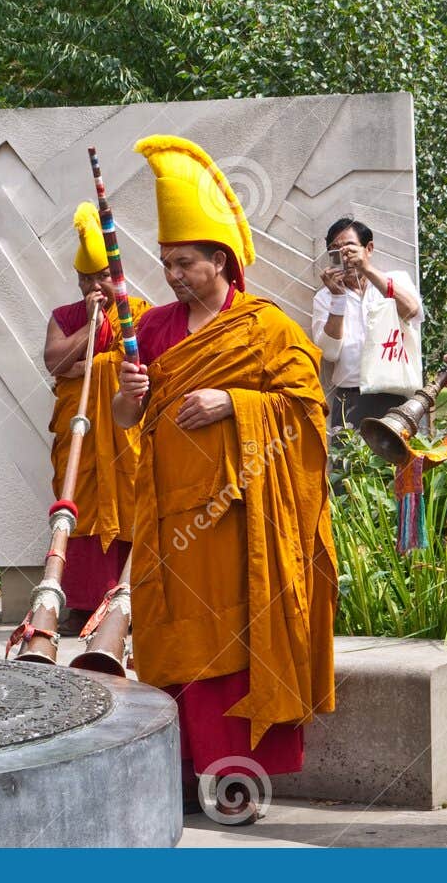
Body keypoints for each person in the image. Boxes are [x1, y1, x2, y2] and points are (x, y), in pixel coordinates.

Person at [111, 134, 337, 824]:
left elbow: (307, 415)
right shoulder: (149, 329)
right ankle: (181, 772)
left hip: (242, 524)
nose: (174, 274)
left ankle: (233, 777)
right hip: (171, 516)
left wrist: (235, 404)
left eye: (186, 262)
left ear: (222, 260)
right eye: (168, 262)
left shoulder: (267, 330)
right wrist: (127, 390)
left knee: (235, 641)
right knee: (172, 640)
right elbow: (128, 416)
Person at [40, 203, 151, 634]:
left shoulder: (141, 314)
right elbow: (55, 361)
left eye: (102, 275)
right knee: (77, 503)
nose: (94, 284)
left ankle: (129, 599)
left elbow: (146, 366)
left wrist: (91, 365)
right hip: (79, 432)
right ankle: (80, 603)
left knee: (132, 499)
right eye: (86, 278)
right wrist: (93, 324)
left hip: (126, 431)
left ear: (117, 273)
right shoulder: (66, 317)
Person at [310, 218, 423, 432]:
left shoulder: (394, 279)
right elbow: (329, 353)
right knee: (350, 464)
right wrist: (338, 299)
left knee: (399, 463)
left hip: (396, 392)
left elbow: (412, 311)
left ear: (368, 248)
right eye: (335, 250)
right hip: (350, 396)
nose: (344, 255)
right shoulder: (325, 297)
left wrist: (367, 269)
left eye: (349, 247)